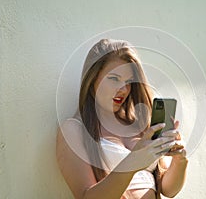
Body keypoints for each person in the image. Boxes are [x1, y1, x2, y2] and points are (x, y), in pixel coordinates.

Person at [56, 39, 188, 199]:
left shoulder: (141, 124)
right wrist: (133, 162)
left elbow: (168, 190)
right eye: (114, 79)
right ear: (92, 79)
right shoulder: (74, 129)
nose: (123, 89)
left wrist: (180, 161)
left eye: (128, 81)